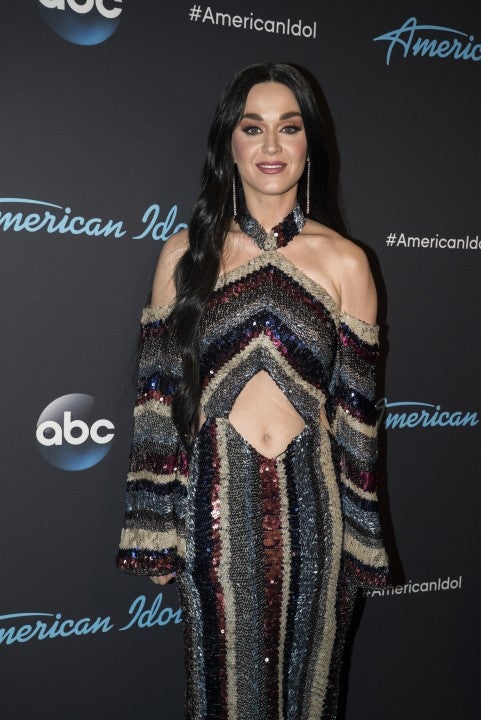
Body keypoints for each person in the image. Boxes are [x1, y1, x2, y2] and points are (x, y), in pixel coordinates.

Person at [117, 62, 389, 719]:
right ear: (229, 143)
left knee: (310, 695)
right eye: (252, 127)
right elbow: (157, 403)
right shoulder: (185, 254)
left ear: (309, 143)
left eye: (288, 128)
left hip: (314, 512)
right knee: (222, 695)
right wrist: (153, 529)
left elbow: (356, 421)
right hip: (214, 507)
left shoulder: (346, 262)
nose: (271, 145)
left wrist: (361, 543)